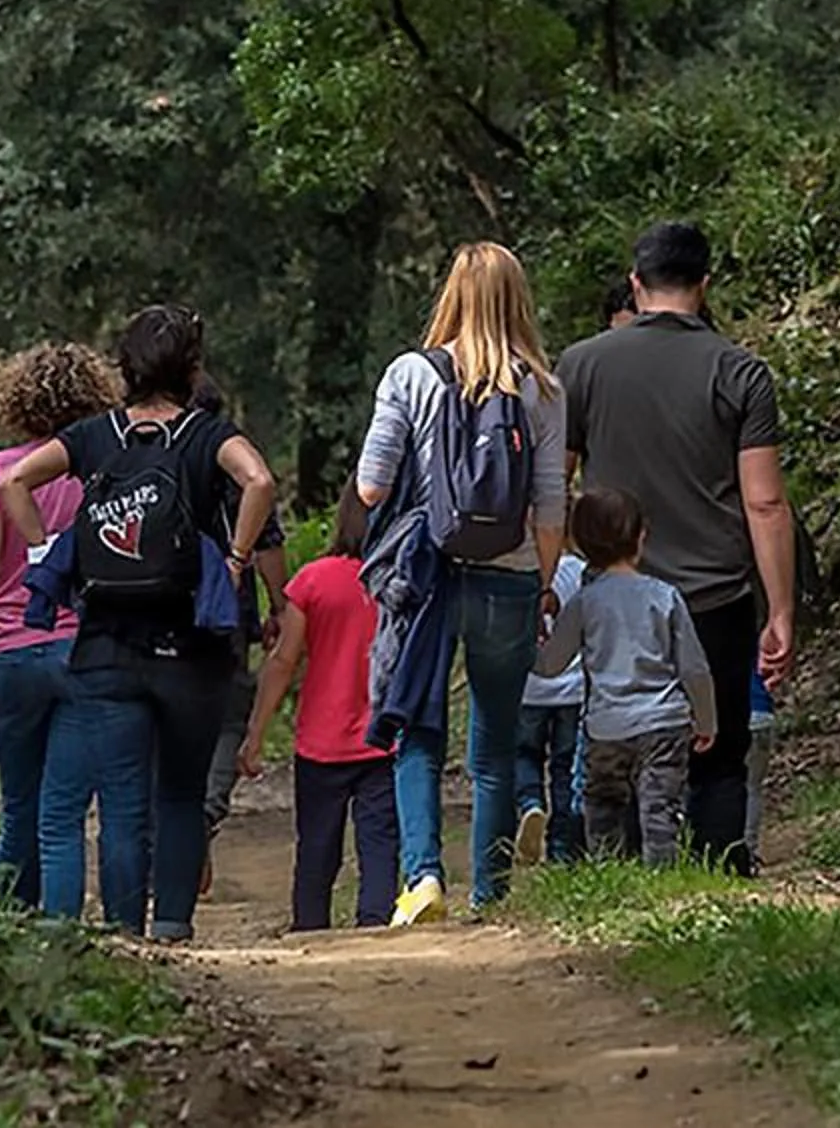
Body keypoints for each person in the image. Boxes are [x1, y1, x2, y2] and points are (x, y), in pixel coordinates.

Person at [0, 304, 282, 941]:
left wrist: (46, 549)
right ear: (192, 368)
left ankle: (126, 932)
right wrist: (235, 558)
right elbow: (259, 480)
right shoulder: (210, 435)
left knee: (124, 801)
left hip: (107, 645)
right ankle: (173, 926)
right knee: (179, 792)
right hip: (195, 646)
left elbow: (14, 479)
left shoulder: (95, 436)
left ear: (125, 368)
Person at [555, 220, 796, 874]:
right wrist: (779, 611)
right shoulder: (739, 370)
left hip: (611, 598)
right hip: (714, 595)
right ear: (704, 284)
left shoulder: (581, 364)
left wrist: (547, 581)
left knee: (618, 737)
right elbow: (765, 502)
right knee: (718, 755)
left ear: (636, 286)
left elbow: (554, 482)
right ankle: (719, 870)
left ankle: (627, 877)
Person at [353, 241, 568, 926]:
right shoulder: (540, 385)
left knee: (418, 728)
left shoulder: (410, 374)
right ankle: (491, 894)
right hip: (507, 576)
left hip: (428, 576)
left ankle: (422, 881)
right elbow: (551, 502)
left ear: (451, 293)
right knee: (496, 744)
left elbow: (370, 484)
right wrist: (540, 582)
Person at [0, 342, 120, 909]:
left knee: (18, 806)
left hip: (13, 653)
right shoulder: (103, 466)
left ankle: (11, 937)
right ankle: (61, 940)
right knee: (62, 814)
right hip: (81, 649)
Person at [533, 488, 715, 865]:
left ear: (581, 544)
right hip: (664, 720)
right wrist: (706, 718)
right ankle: (661, 877)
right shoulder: (665, 597)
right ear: (640, 536)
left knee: (602, 803)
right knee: (660, 805)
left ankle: (607, 871)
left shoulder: (584, 603)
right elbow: (694, 667)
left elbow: (550, 665)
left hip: (606, 725)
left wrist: (529, 642)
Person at [238, 495, 394, 929]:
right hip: (383, 738)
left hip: (320, 742)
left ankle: (310, 928)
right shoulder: (397, 579)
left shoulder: (312, 581)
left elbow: (284, 660)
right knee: (380, 841)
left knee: (317, 846)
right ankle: (375, 923)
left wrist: (256, 733)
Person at [193, 372, 289, 872]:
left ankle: (173, 819)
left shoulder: (149, 451)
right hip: (227, 609)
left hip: (159, 608)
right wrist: (277, 604)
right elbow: (267, 539)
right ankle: (204, 814)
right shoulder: (231, 456)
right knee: (230, 711)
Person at [513, 546, 588, 866]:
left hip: (527, 689)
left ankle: (530, 803)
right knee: (566, 768)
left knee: (524, 755)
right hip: (573, 691)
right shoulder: (581, 571)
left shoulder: (519, 570)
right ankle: (564, 850)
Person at [744, 665, 777, 863]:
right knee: (752, 788)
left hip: (728, 716)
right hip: (761, 714)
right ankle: (748, 850)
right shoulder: (755, 640)